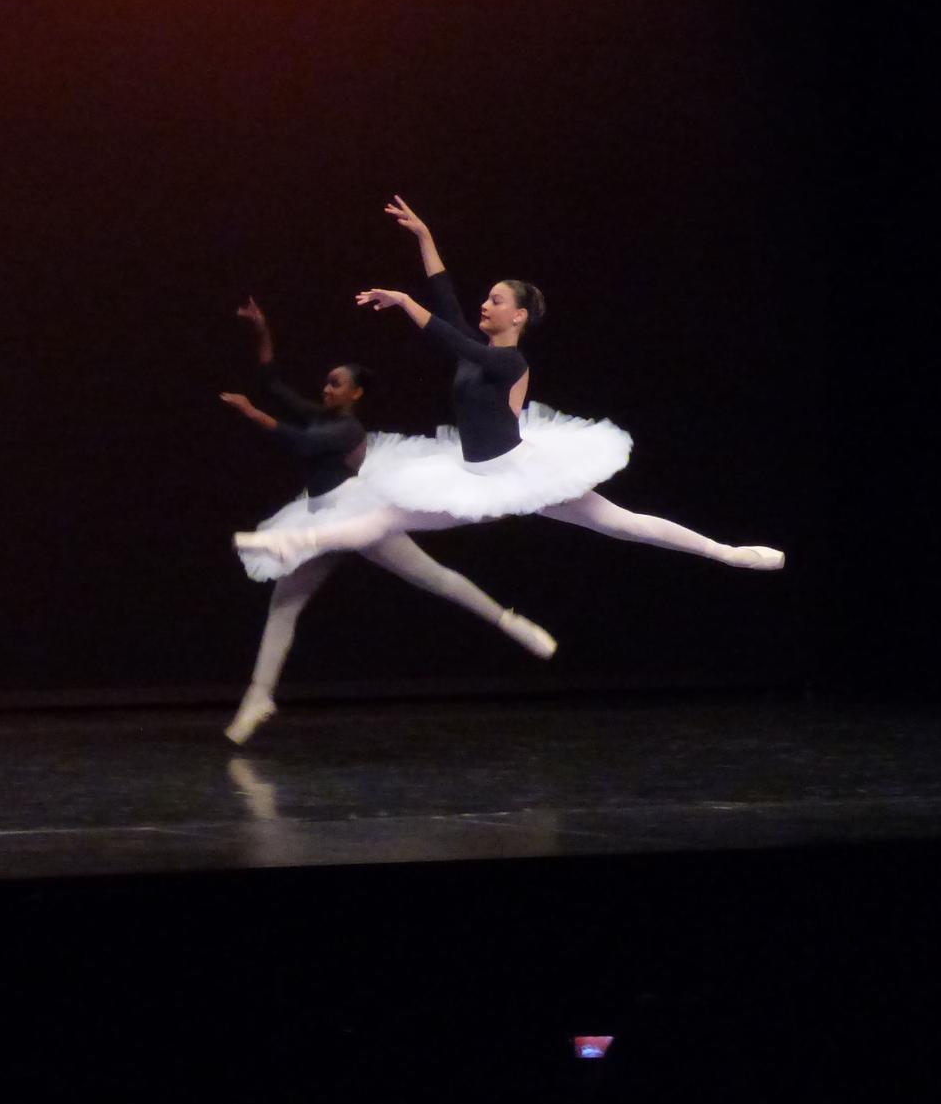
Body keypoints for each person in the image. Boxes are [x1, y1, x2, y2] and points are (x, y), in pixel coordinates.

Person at [236, 197, 784, 577]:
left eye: (497, 300)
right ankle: (291, 541)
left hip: (518, 474)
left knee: (621, 524)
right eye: (488, 298)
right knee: (378, 519)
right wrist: (425, 237)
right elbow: (447, 299)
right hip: (471, 475)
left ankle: (728, 553)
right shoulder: (480, 351)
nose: (485, 304)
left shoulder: (509, 362)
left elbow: (451, 336)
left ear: (518, 316)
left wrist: (404, 303)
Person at [222, 296, 554, 744]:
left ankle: (508, 621)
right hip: (317, 518)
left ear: (355, 394)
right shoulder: (322, 417)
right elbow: (273, 383)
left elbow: (296, 442)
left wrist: (251, 414)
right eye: (326, 383)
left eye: (336, 384)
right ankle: (259, 696)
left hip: (357, 515)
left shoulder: (347, 430)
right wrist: (261, 333)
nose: (326, 389)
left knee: (433, 578)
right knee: (284, 606)